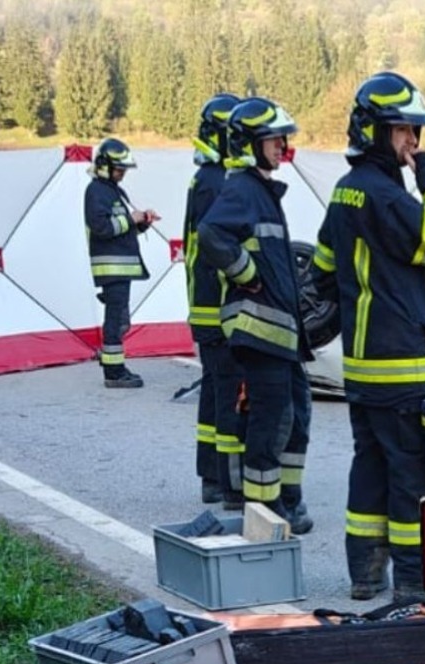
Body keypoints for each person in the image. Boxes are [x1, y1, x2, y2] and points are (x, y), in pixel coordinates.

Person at [310, 72, 425, 603]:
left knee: (369, 469)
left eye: (415, 133)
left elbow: (323, 271)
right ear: (375, 132)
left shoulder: (345, 192)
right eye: (403, 131)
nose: (413, 143)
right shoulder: (390, 198)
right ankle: (412, 582)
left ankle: (364, 574)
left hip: (362, 370)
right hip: (404, 368)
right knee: (413, 479)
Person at [198, 96, 314, 534]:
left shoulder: (261, 189)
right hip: (260, 330)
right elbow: (211, 233)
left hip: (281, 333)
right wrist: (244, 272)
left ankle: (288, 499)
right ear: (250, 143)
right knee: (271, 423)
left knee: (296, 415)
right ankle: (264, 515)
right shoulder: (243, 188)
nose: (282, 145)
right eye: (274, 138)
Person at [184, 92, 242, 507]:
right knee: (227, 394)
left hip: (205, 305)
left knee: (213, 391)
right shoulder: (218, 182)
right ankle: (226, 480)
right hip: (219, 306)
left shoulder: (205, 178)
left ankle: (210, 475)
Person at [86, 138, 160, 388]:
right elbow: (102, 227)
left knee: (120, 319)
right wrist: (131, 218)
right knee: (115, 320)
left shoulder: (113, 190)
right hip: (111, 267)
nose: (123, 174)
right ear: (105, 166)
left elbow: (123, 228)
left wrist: (142, 222)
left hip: (122, 267)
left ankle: (113, 364)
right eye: (119, 169)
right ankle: (114, 371)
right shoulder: (96, 191)